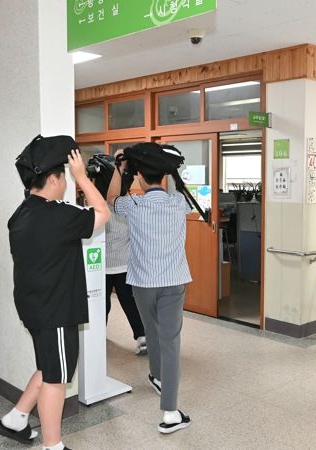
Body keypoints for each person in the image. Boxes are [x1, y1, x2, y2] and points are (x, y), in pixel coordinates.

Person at [0, 136, 110, 450]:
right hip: (55, 310)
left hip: (34, 306)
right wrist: (83, 177)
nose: (66, 185)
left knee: (48, 366)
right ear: (54, 179)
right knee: (57, 379)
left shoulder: (21, 213)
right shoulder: (59, 215)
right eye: (65, 178)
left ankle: (16, 418)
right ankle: (52, 445)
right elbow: (102, 213)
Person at [107, 142, 192, 434]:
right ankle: (170, 412)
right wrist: (172, 170)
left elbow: (110, 200)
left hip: (142, 284)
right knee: (170, 341)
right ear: (165, 176)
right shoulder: (178, 202)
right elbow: (184, 191)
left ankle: (157, 377)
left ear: (140, 176)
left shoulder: (133, 204)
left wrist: (119, 169)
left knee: (152, 331)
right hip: (173, 283)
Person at [86, 154, 146, 355]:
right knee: (129, 302)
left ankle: (97, 336)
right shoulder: (128, 204)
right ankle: (142, 336)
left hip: (101, 264)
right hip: (123, 264)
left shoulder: (96, 207)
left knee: (101, 303)